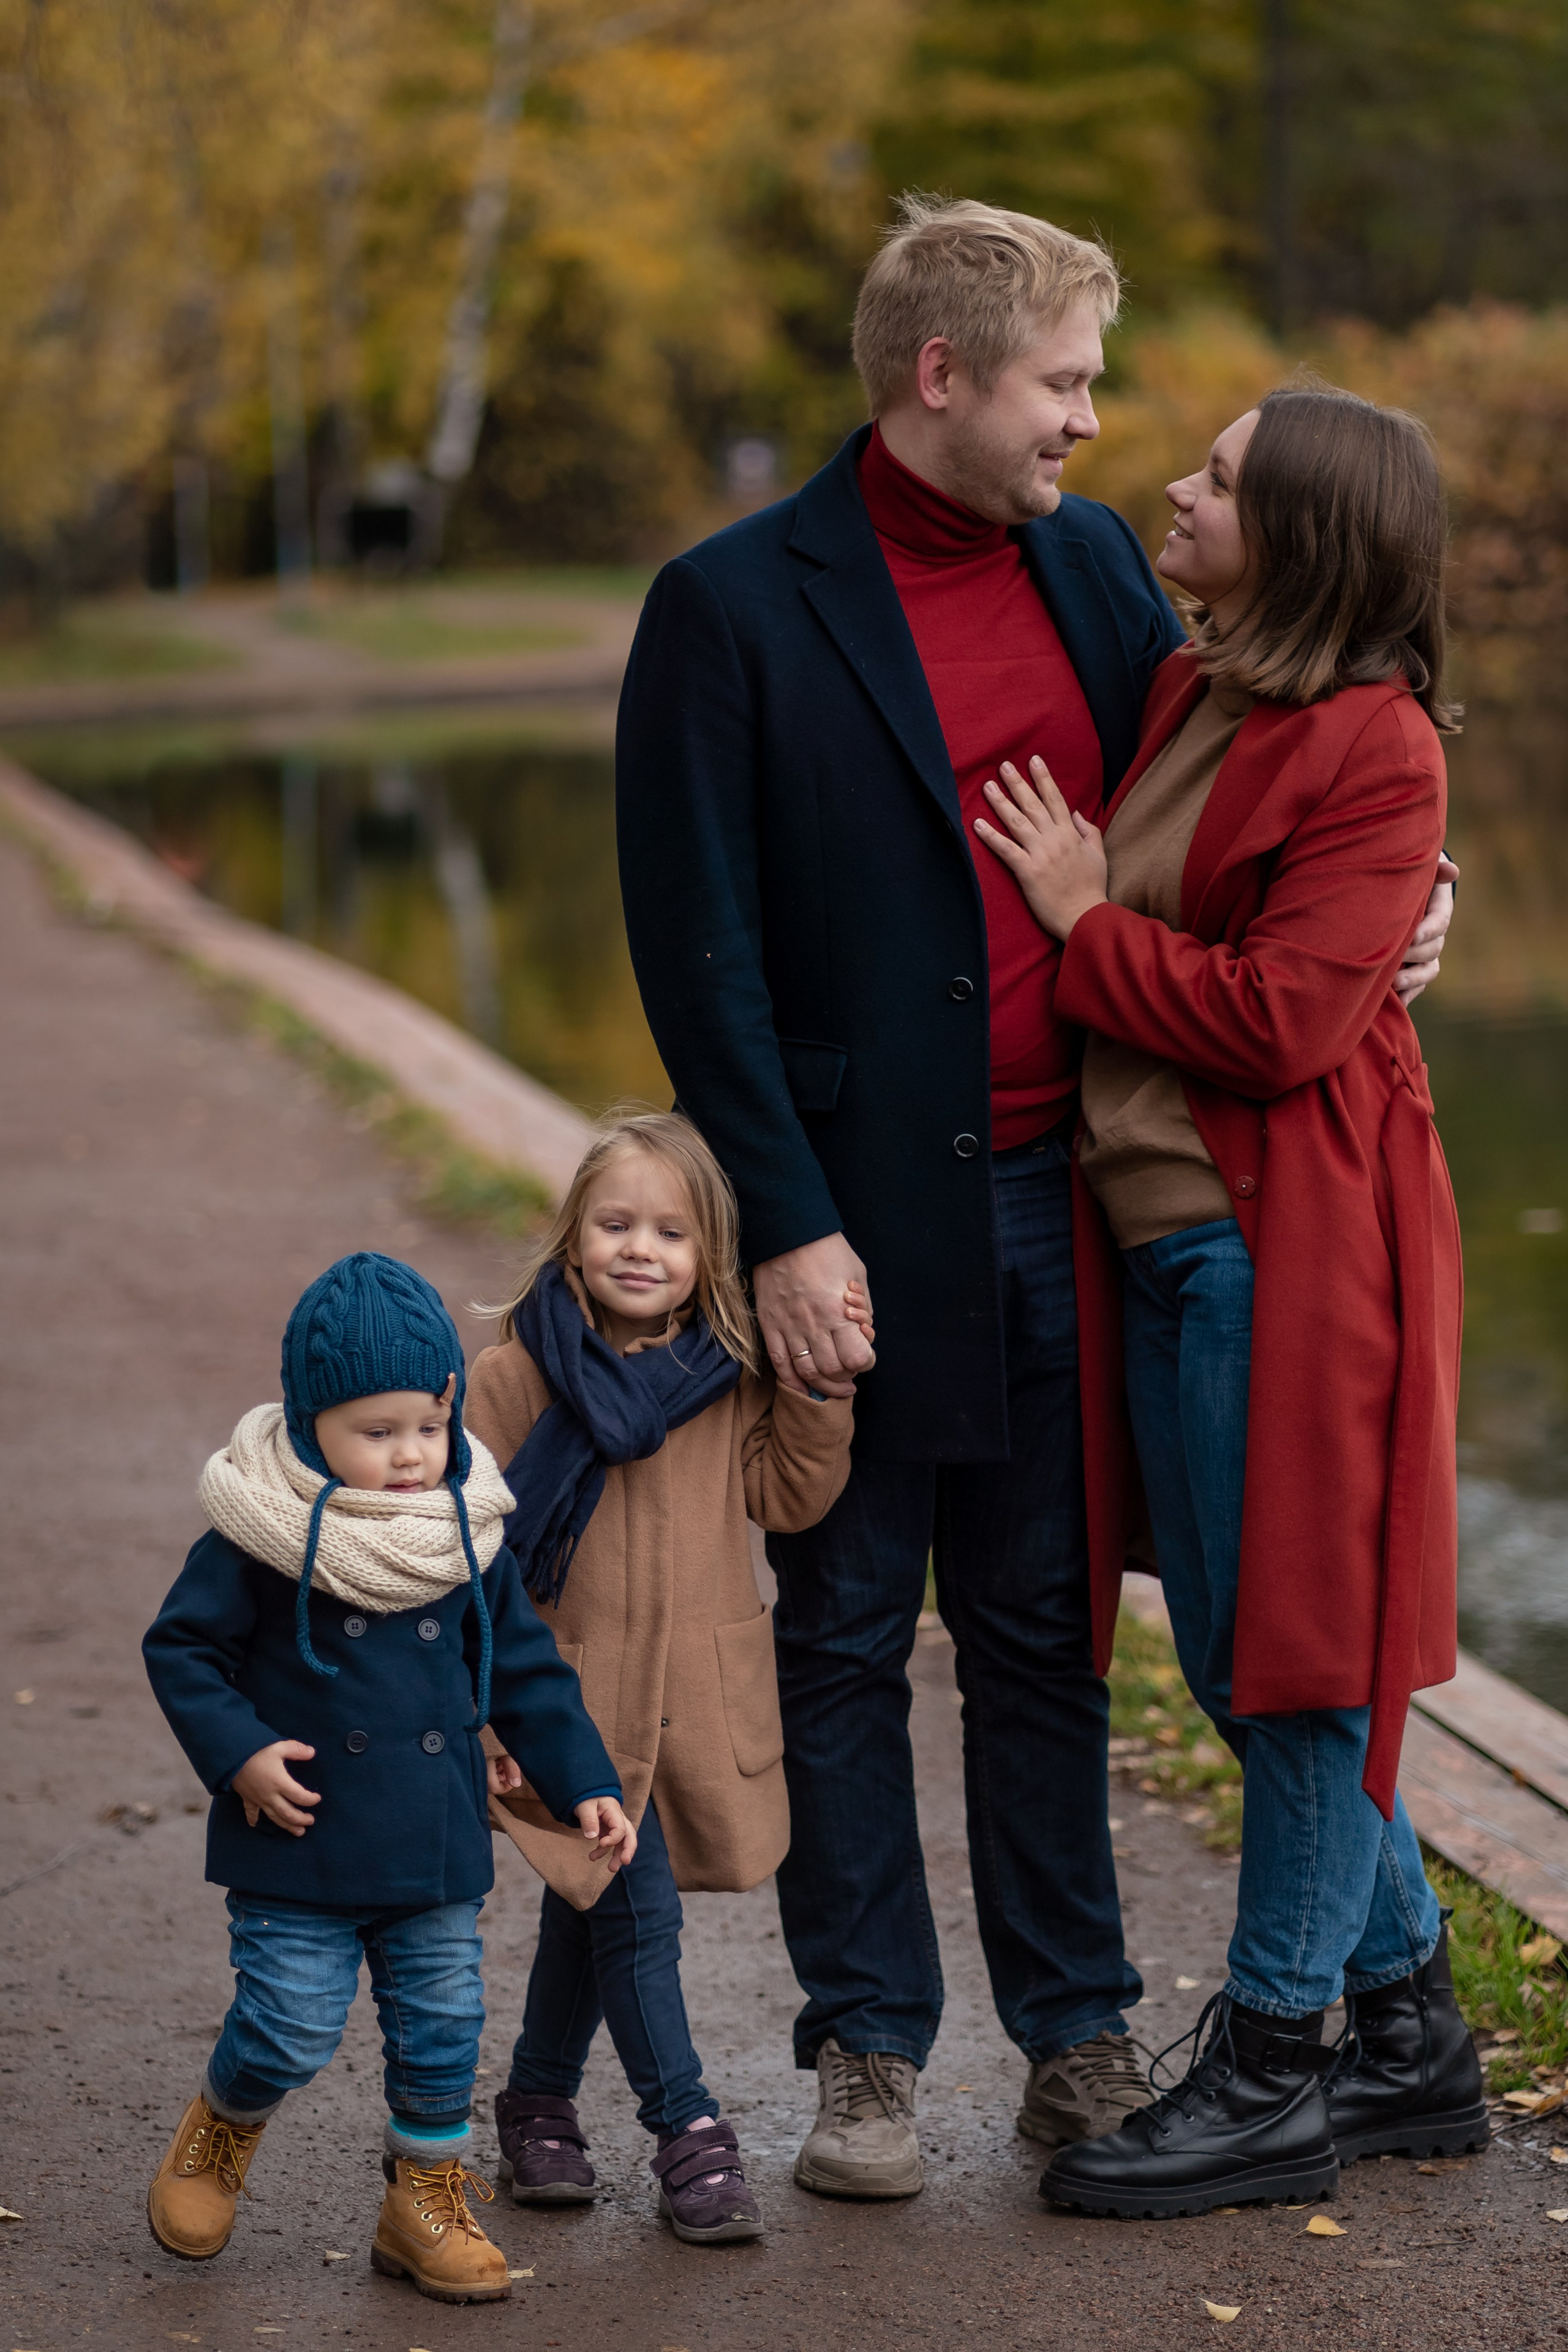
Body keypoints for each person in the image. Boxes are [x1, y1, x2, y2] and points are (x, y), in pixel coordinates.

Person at [614, 194, 1456, 2196]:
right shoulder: (732, 606)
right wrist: (789, 1223)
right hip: (851, 1217)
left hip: (1073, 1200)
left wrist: (1417, 905)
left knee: (1043, 1630)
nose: (1093, 426)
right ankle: (871, 2058)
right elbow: (698, 954)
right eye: (1066, 385)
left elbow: (1266, 783)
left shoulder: (1093, 578)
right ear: (944, 378)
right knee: (837, 1627)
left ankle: (1077, 2039)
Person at [965, 383, 1487, 2217]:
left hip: (1293, 1252)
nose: (1173, 488)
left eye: (1221, 479)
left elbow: (1285, 1021)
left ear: (1309, 537)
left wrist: (1082, 922)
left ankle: (1281, 2063)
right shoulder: (1195, 688)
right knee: (1233, 1650)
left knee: (1300, 1661)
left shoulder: (1377, 743)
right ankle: (1412, 2028)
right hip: (1168, 1250)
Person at [141, 1252, 631, 2302]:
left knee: (446, 2022)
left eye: (426, 1426)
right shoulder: (261, 1535)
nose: (411, 1456)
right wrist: (241, 1751)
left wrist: (581, 1777)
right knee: (290, 2022)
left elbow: (527, 1672)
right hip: (301, 1835)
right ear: (310, 1422)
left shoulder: (464, 1531)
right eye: (376, 1433)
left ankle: (424, 2200)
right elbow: (183, 1651)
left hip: (431, 1837)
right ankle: (224, 2123)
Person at [464, 1110, 859, 2242]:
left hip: (690, 1702)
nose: (641, 1247)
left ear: (708, 1260)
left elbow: (789, 1499)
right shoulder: (513, 1375)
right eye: (617, 1222)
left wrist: (821, 1392)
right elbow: (476, 1565)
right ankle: (689, 2131)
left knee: (587, 1914)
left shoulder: (727, 1379)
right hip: (565, 1711)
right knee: (636, 1921)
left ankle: (538, 2102)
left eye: (672, 1232)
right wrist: (489, 1709)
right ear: (574, 1235)